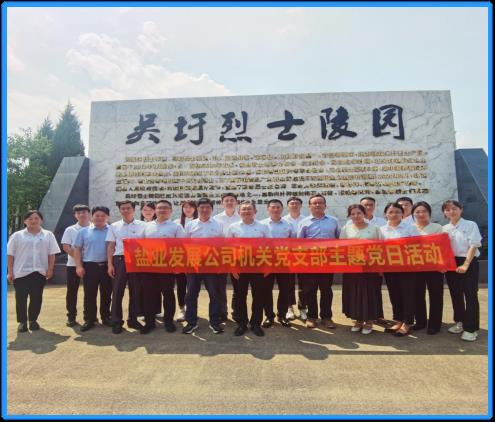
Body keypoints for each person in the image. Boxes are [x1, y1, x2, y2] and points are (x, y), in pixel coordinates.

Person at [7, 210, 61, 332]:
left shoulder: (48, 235)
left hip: (39, 272)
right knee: (20, 298)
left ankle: (33, 320)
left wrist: (50, 269)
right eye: (30, 218)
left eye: (36, 218)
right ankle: (22, 322)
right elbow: (10, 255)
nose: (33, 221)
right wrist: (10, 272)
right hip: (20, 272)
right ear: (25, 221)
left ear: (41, 220)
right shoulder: (17, 236)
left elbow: (51, 254)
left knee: (36, 298)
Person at [227, 200, 271, 337]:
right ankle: (242, 323)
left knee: (258, 295)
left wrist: (268, 265)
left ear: (255, 211)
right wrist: (232, 267)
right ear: (239, 212)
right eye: (244, 209)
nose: (246, 211)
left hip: (258, 265)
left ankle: (255, 323)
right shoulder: (233, 227)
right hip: (239, 266)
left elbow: (269, 247)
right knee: (240, 295)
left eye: (249, 209)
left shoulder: (263, 227)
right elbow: (228, 249)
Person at [141, 200, 186, 334]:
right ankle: (149, 322)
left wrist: (178, 265)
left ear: (170, 211)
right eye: (160, 208)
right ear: (155, 210)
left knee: (168, 294)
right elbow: (140, 245)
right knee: (148, 295)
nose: (162, 210)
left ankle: (168, 322)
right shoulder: (147, 226)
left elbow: (182, 246)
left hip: (168, 267)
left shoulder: (176, 227)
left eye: (165, 208)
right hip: (149, 267)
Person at [182, 198, 225, 335]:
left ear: (211, 209)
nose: (205, 210)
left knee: (214, 294)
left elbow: (223, 245)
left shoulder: (219, 225)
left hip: (212, 263)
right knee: (191, 295)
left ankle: (214, 322)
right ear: (197, 209)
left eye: (207, 207)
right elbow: (184, 245)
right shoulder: (190, 225)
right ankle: (191, 322)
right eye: (202, 207)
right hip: (194, 263)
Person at [297, 194, 340, 329]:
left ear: (325, 206)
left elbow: (339, 239)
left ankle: (327, 317)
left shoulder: (334, 221)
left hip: (328, 261)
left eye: (320, 203)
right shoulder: (304, 222)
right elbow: (299, 243)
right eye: (314, 203)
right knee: (311, 290)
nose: (317, 205)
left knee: (326, 290)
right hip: (310, 262)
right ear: (309, 206)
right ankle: (312, 317)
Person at [442, 199, 482, 341]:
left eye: (454, 208)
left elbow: (474, 245)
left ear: (461, 209)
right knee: (456, 294)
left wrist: (465, 264)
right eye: (448, 209)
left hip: (468, 261)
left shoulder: (470, 224)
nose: (451, 211)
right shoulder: (444, 229)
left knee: (470, 295)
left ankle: (471, 329)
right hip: (451, 263)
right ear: (444, 213)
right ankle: (459, 322)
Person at [340, 204, 384, 335]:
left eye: (359, 213)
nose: (356, 216)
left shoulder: (374, 228)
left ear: (364, 214)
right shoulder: (346, 229)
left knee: (370, 293)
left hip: (370, 268)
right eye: (352, 214)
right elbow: (341, 247)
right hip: (352, 268)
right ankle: (358, 320)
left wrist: (381, 267)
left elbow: (382, 248)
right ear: (349, 216)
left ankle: (369, 321)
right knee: (354, 293)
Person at [106, 200, 147, 334]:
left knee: (136, 291)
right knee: (117, 291)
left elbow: (148, 244)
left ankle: (133, 319)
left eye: (128, 208)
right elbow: (111, 246)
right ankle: (116, 321)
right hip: (120, 260)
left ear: (133, 210)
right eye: (122, 208)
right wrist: (110, 264)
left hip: (137, 260)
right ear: (120, 210)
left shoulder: (143, 225)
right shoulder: (114, 226)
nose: (125, 210)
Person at [380, 202, 420, 337]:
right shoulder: (381, 230)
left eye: (397, 212)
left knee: (408, 294)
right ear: (386, 214)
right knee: (394, 294)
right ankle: (398, 320)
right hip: (390, 267)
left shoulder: (410, 228)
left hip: (407, 267)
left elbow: (417, 246)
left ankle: (407, 323)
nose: (394, 214)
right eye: (391, 212)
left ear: (402, 214)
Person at [73, 206, 113, 332]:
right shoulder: (83, 232)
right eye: (97, 215)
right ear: (92, 216)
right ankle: (89, 319)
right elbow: (77, 249)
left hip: (107, 266)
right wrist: (79, 266)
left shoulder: (112, 231)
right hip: (90, 266)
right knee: (89, 294)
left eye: (103, 216)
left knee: (106, 293)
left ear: (108, 217)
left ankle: (106, 317)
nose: (100, 218)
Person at [411, 201, 444, 335]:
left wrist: (442, 264)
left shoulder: (437, 227)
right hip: (416, 266)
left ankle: (435, 324)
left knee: (435, 295)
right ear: (413, 214)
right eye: (417, 212)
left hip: (434, 267)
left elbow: (443, 247)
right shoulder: (410, 228)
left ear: (429, 213)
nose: (421, 214)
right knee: (417, 295)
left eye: (424, 211)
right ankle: (420, 322)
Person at [261, 199, 294, 328]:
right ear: (268, 209)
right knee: (266, 290)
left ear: (282, 208)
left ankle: (282, 315)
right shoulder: (262, 224)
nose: (275, 209)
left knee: (285, 289)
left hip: (284, 262)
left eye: (278, 207)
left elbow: (294, 242)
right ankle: (269, 316)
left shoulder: (289, 224)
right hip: (266, 261)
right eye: (273, 207)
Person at [61, 204, 91, 327]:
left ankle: (89, 316)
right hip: (73, 265)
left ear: (89, 213)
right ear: (75, 215)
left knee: (90, 291)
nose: (82, 215)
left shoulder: (94, 228)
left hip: (90, 264)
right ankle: (71, 316)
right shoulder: (70, 229)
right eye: (78, 213)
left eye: (84, 212)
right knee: (72, 291)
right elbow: (66, 246)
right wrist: (78, 259)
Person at [213, 193, 241, 322]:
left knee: (238, 287)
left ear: (236, 202)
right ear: (222, 203)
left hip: (238, 258)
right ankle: (222, 312)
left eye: (232, 200)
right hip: (221, 257)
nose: (229, 202)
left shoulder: (242, 217)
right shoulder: (216, 219)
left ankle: (237, 312)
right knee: (220, 287)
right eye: (226, 200)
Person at [282, 196, 307, 321]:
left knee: (304, 283)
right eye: (292, 203)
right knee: (288, 283)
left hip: (304, 257)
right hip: (287, 256)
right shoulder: (283, 221)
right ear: (288, 206)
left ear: (301, 205)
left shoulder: (306, 220)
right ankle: (289, 308)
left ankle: (303, 308)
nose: (294, 205)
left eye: (297, 203)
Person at [174, 200, 198, 322]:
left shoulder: (199, 221)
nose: (188, 209)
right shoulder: (176, 223)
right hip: (180, 257)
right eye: (185, 207)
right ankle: (182, 309)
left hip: (195, 257)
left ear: (195, 208)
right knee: (181, 284)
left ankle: (191, 309)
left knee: (192, 285)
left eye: (190, 207)